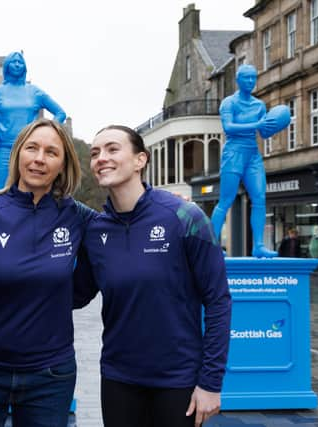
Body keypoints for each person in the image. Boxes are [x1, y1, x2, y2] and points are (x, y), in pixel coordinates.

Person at [74, 125, 231, 427]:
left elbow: (218, 301)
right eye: (95, 153)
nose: (101, 158)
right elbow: (75, 295)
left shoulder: (185, 217)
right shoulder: (95, 231)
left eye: (112, 149)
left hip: (177, 381)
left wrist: (210, 383)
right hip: (119, 380)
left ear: (140, 160)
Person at [0, 118, 94, 426]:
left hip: (50, 375)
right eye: (32, 148)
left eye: (51, 152)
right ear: (18, 154)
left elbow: (123, 232)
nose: (39, 159)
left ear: (63, 164)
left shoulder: (77, 217)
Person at [210, 64, 288, 258]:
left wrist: (279, 122)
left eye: (254, 78)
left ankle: (259, 246)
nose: (251, 82)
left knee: (260, 198)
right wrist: (258, 124)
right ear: (238, 80)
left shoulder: (259, 105)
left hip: (252, 154)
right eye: (247, 78)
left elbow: (264, 131)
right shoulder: (229, 103)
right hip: (234, 152)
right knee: (226, 200)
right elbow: (228, 127)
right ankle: (211, 245)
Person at [0, 51, 66, 190]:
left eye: (20, 62)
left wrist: (48, 132)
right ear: (6, 66)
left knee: (31, 193)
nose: (17, 64)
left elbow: (60, 113)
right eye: (13, 62)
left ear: (25, 67)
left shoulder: (35, 92)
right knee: (0, 192)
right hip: (3, 149)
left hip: (30, 150)